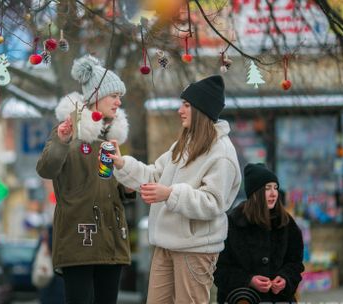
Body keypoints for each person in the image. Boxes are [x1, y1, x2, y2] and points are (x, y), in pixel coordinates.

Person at [110, 75, 241, 303]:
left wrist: (170, 194)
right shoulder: (184, 145)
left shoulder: (222, 154)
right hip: (165, 245)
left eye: (187, 105)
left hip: (196, 250)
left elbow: (213, 203)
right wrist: (122, 164)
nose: (180, 110)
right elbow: (153, 175)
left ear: (202, 110)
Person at [36, 55, 131, 304]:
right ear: (96, 97)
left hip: (112, 242)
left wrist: (129, 187)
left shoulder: (113, 140)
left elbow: (114, 187)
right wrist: (61, 141)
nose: (119, 102)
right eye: (114, 95)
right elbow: (46, 169)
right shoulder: (67, 132)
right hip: (79, 239)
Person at [214, 163, 304, 303]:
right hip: (241, 300)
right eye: (267, 188)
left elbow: (295, 263)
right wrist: (248, 281)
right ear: (255, 193)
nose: (274, 193)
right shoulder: (233, 223)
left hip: (278, 300)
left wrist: (285, 279)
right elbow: (219, 269)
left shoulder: (286, 222)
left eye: (276, 188)